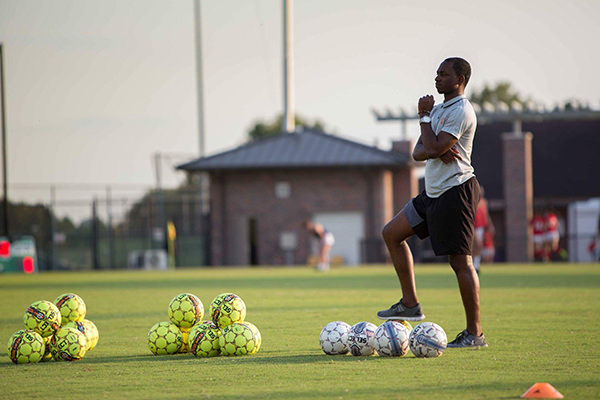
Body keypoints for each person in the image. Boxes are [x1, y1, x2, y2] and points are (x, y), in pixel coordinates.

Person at [377, 57, 487, 348]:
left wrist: (427, 126)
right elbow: (418, 151)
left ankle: (474, 334)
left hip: (456, 191)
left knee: (460, 262)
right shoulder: (438, 110)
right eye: (436, 73)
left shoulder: (461, 111)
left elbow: (435, 145)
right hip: (433, 192)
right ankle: (410, 303)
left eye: (443, 74)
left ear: (460, 79)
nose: (436, 79)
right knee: (392, 233)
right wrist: (434, 143)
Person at [472, 187, 490, 274]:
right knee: (476, 245)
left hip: (481, 227)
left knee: (479, 246)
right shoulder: (473, 202)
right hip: (474, 227)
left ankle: (476, 264)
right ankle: (473, 265)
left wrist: (490, 225)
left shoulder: (484, 202)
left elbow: (486, 215)